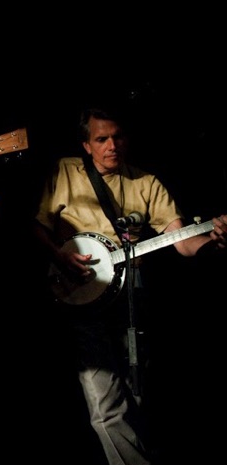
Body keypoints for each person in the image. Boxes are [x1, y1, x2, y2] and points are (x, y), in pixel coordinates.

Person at [32, 107, 226, 465]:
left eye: (118, 136)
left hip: (132, 294)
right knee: (104, 399)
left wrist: (212, 241)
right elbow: (37, 228)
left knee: (138, 391)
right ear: (86, 145)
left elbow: (182, 240)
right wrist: (60, 257)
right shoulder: (66, 171)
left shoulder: (146, 182)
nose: (112, 145)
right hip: (81, 292)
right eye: (102, 139)